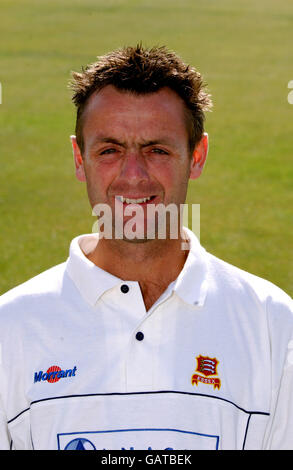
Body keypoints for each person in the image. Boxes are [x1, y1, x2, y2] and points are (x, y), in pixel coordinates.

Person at [0, 44, 292, 451]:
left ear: (197, 156)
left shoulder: (273, 324)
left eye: (157, 150)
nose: (133, 175)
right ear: (78, 158)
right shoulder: (10, 328)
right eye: (109, 150)